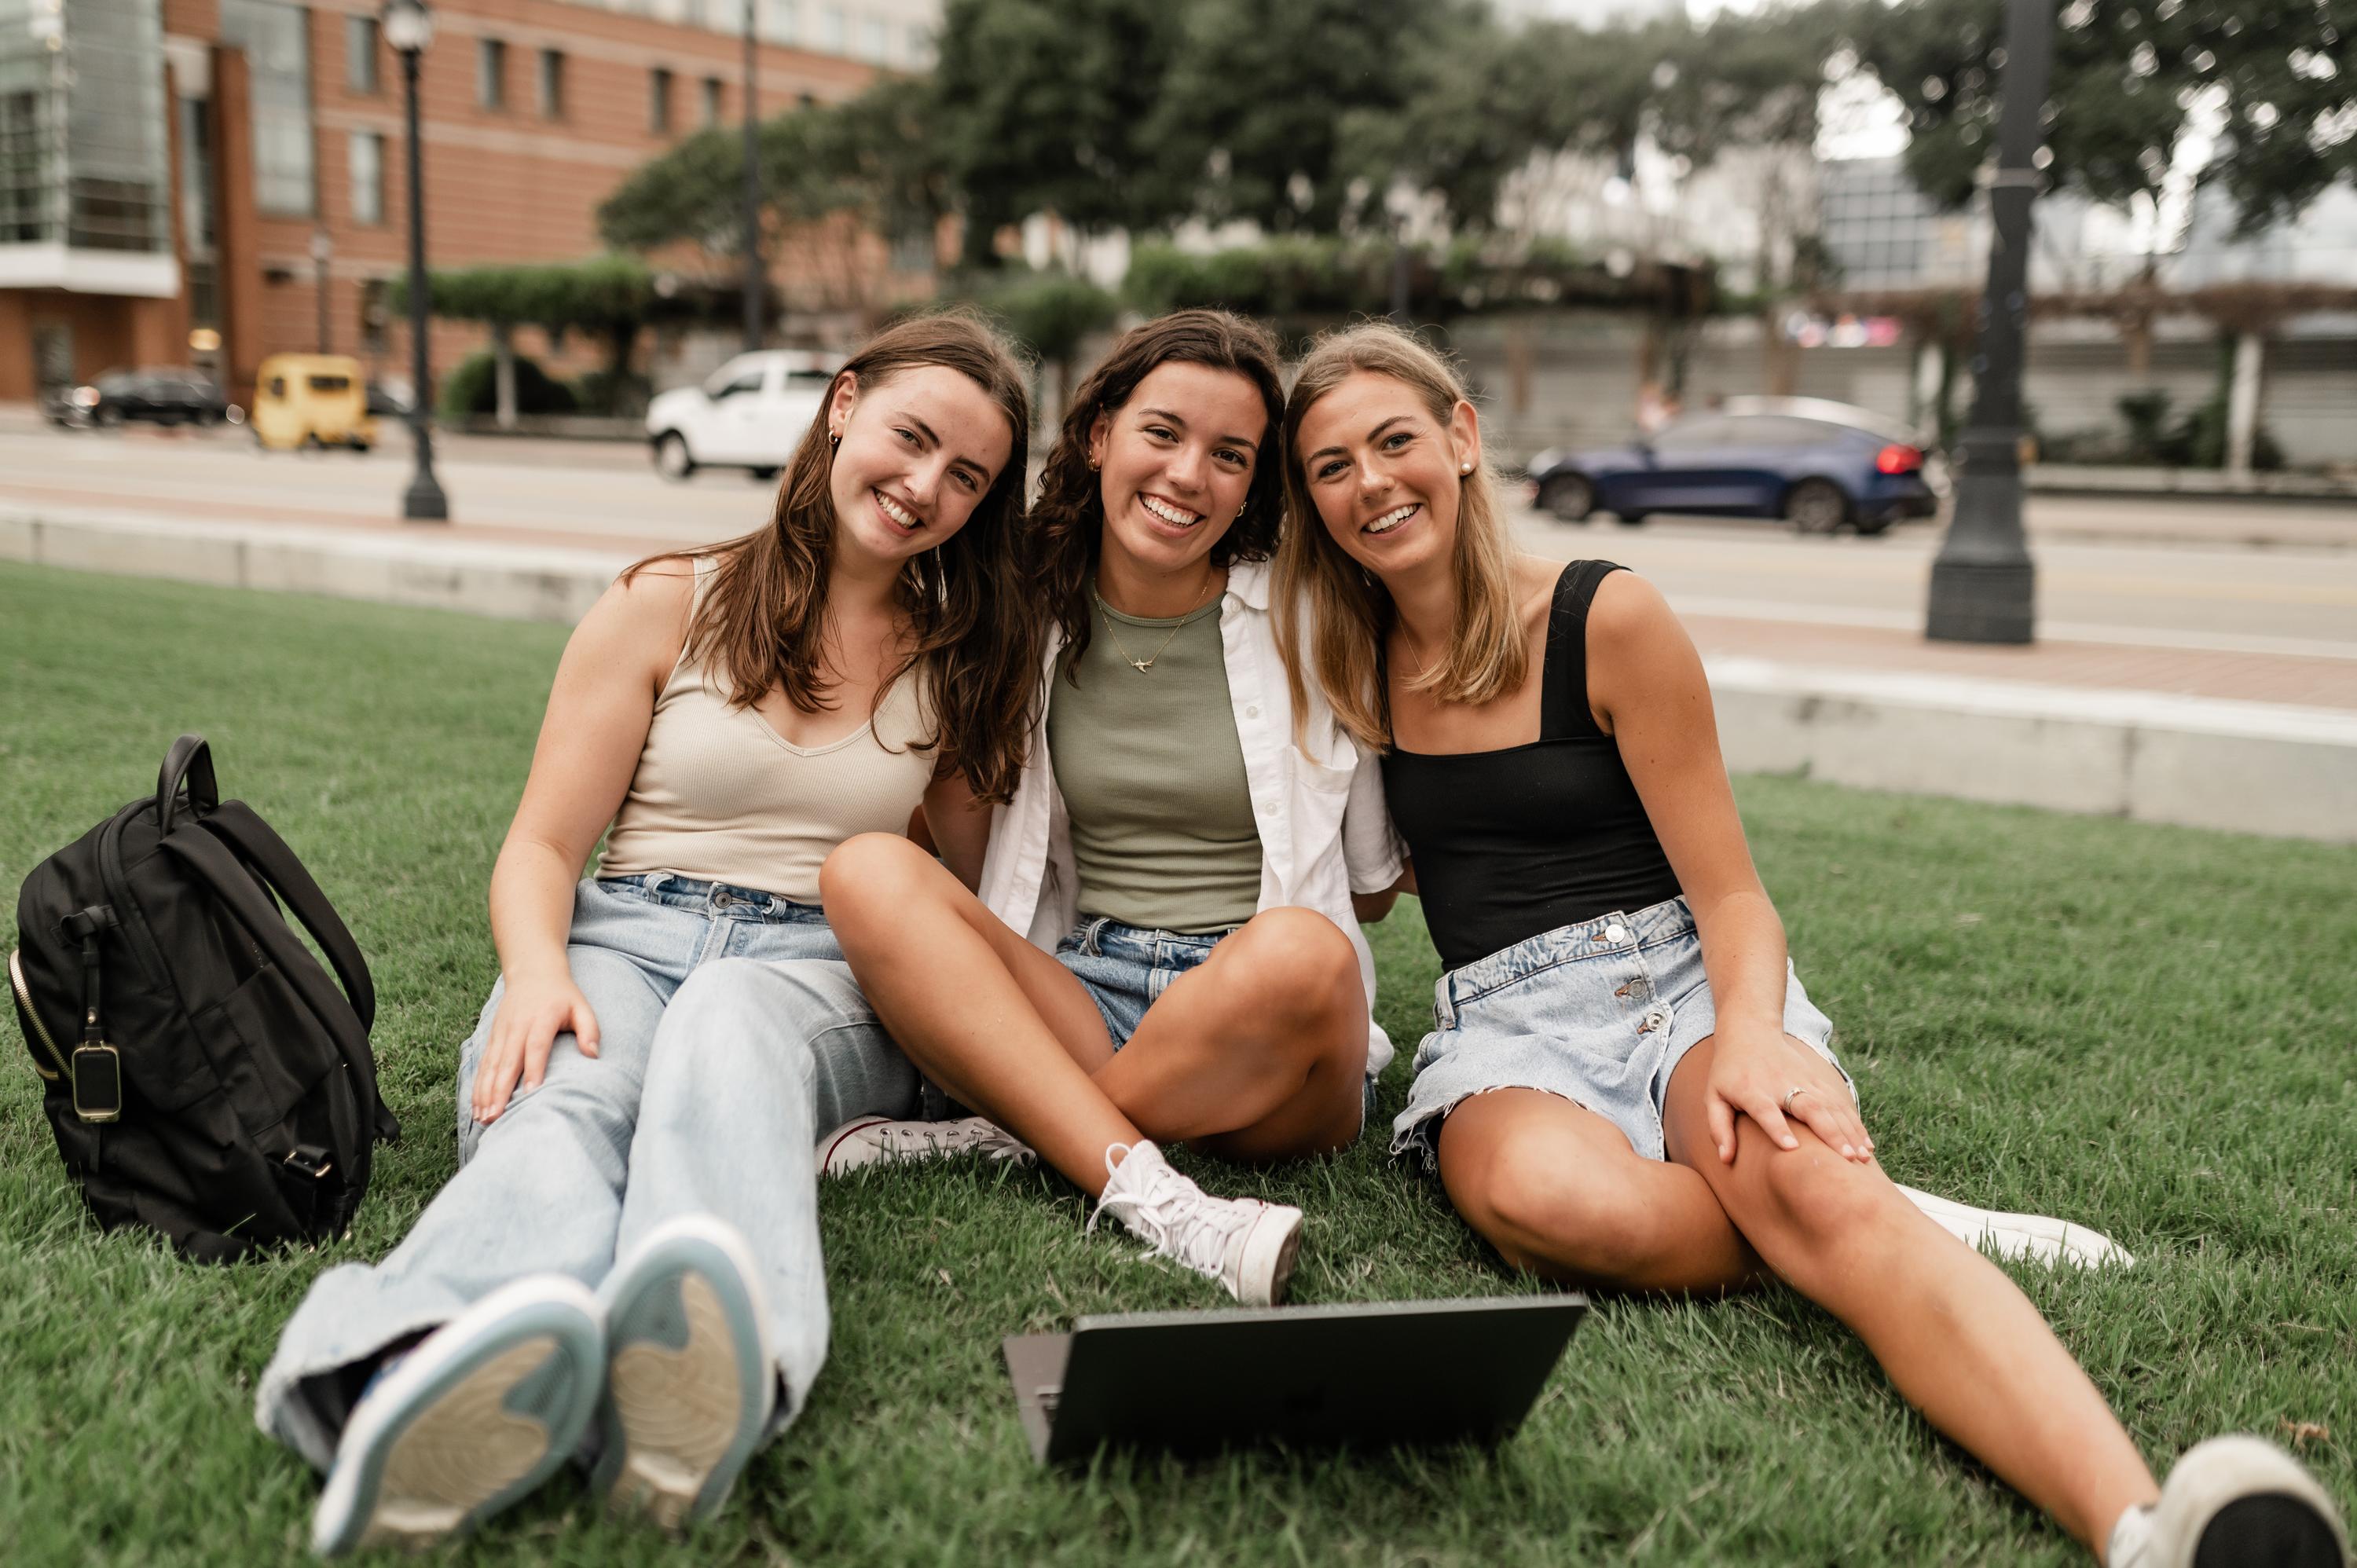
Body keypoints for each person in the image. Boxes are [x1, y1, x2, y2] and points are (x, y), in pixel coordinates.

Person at [1274, 320, 2349, 1568]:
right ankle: (1870, 1218)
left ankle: (2143, 1526)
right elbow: (1343, 872)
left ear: (1462, 438)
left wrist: (1748, 1036)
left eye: (1395, 440)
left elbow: (1732, 896)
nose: (1372, 483)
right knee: (1548, 1202)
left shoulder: (1602, 617)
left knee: (1795, 1174)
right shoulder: (1343, 663)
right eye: (1332, 466)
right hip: (1503, 1023)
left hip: (1672, 975)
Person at [254, 313, 1041, 1556]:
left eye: (968, 477)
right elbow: (542, 848)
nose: (927, 487)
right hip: (626, 934)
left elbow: (972, 886)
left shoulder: (954, 659)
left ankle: (700, 1385)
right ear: (843, 406)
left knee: (727, 1035)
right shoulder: (668, 599)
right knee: (567, 1097)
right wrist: (535, 972)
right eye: (913, 439)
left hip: (816, 975)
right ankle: (407, 1366)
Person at [819, 310, 1402, 1309]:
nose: (1187, 476)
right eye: (1162, 433)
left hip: (1266, 1031)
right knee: (865, 870)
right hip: (1091, 994)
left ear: (1254, 484)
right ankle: (1128, 1160)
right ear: (1099, 436)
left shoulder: (1313, 614)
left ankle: (1019, 1130)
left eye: (1230, 456)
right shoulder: (1027, 610)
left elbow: (1372, 889)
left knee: (1306, 950)